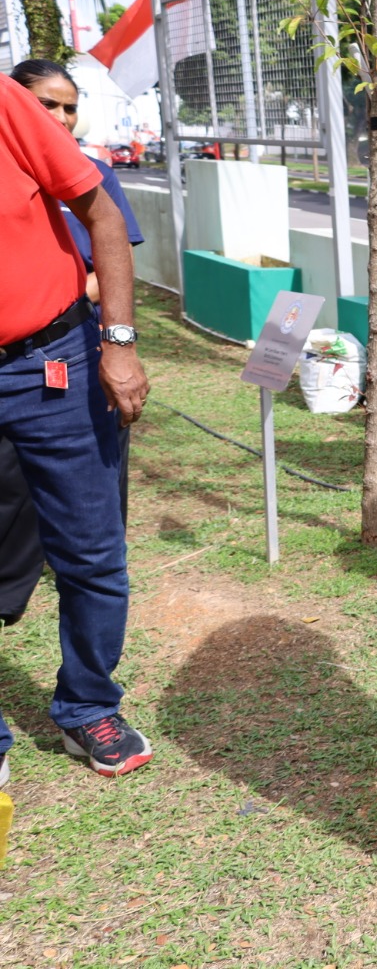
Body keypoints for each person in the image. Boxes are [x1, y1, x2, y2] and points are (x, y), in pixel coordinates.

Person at [0, 72, 152, 786]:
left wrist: (116, 343)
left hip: (50, 361)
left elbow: (102, 214)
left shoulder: (7, 103)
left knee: (91, 553)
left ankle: (88, 703)